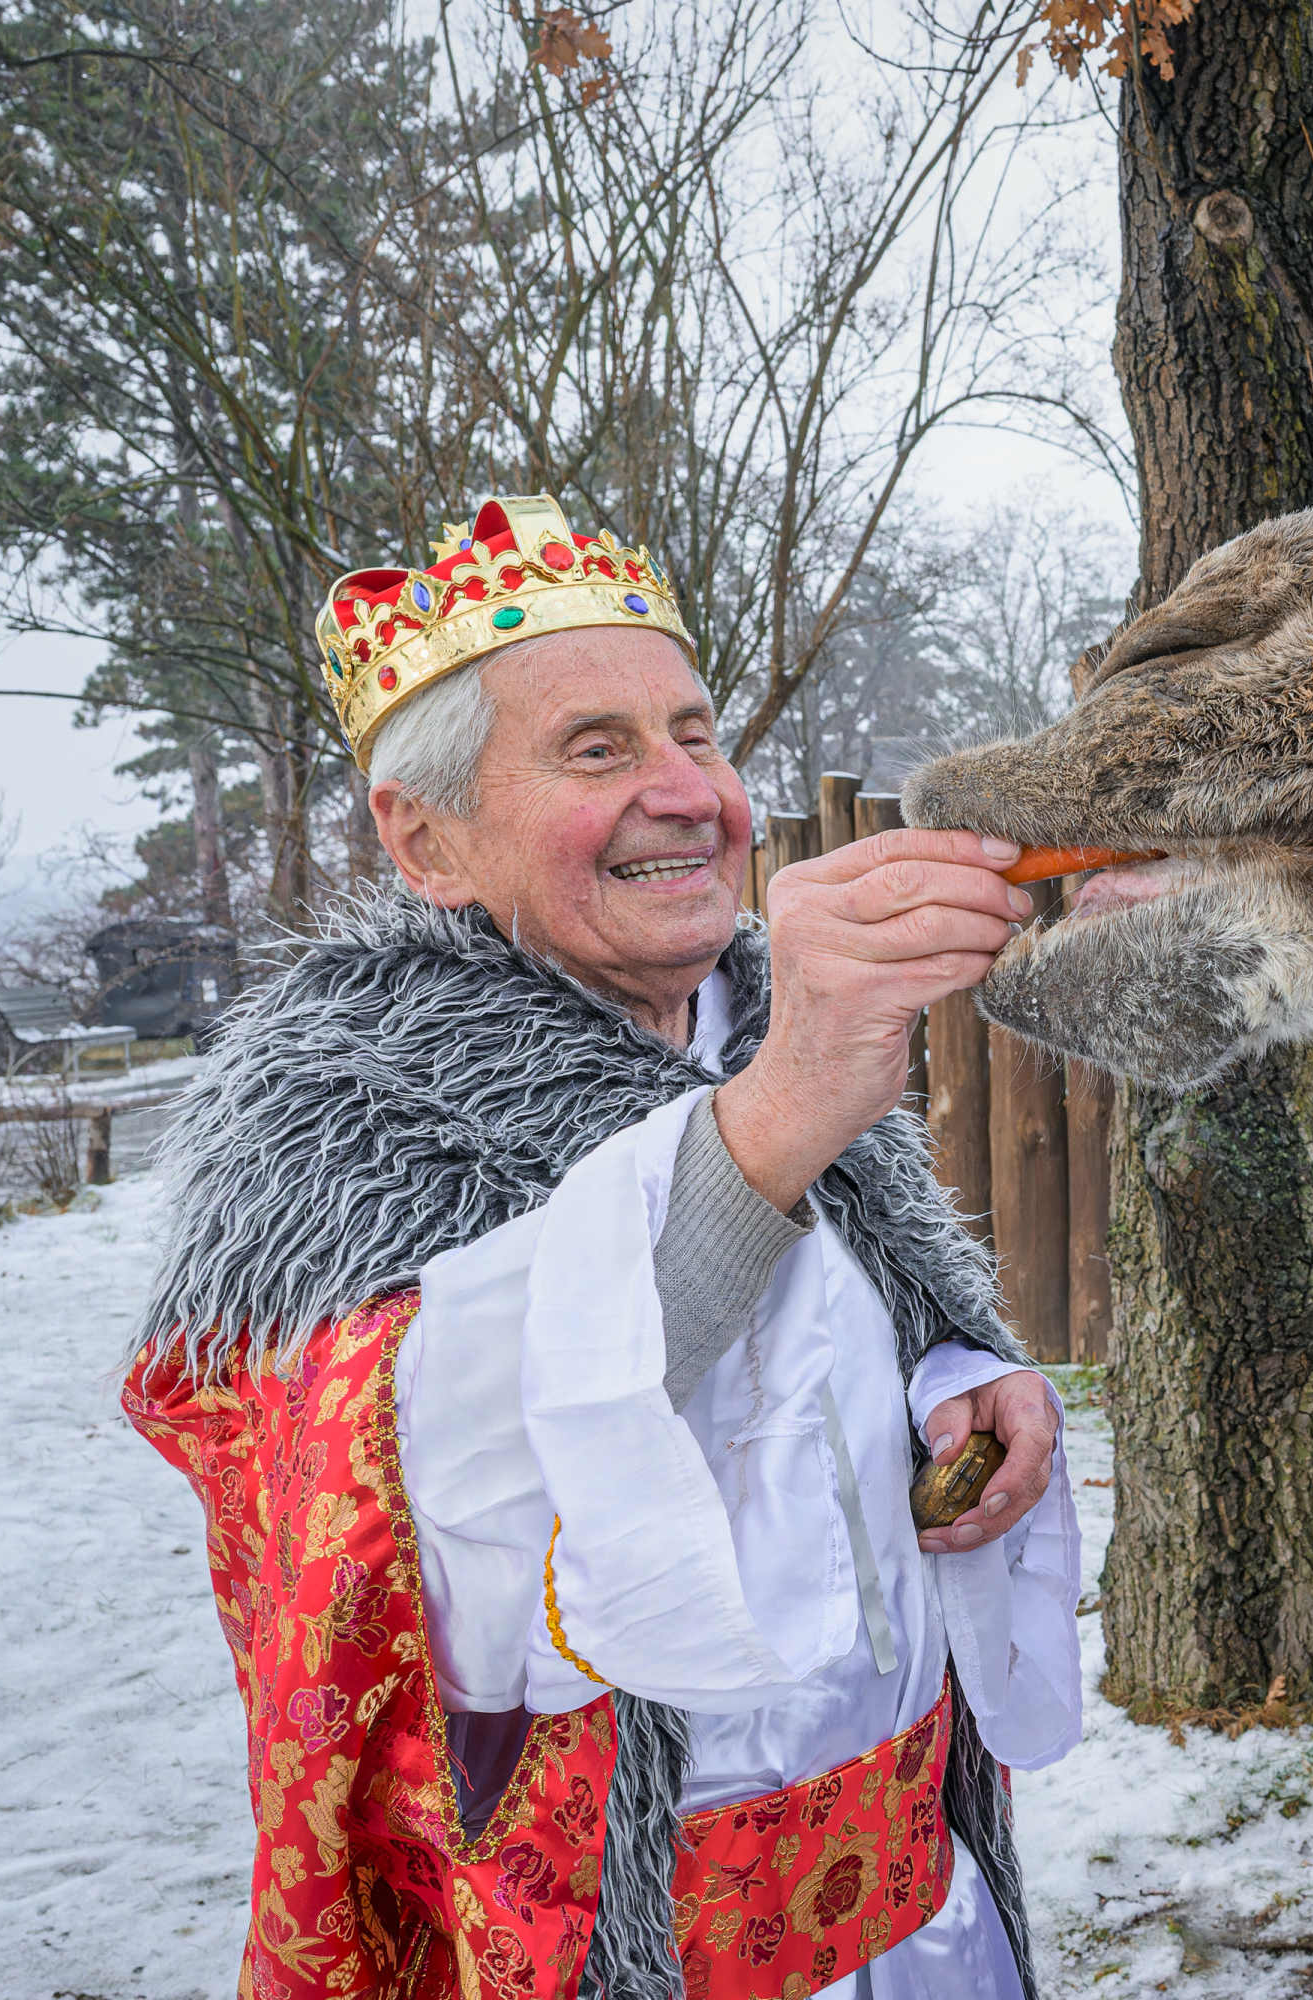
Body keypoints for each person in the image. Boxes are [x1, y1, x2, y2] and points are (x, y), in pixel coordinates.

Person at [122, 496, 1081, 2000]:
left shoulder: (761, 1024)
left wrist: (959, 1381)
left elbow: (838, 1331)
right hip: (624, 1945)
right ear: (426, 837)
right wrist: (779, 1116)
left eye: (697, 735)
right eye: (597, 749)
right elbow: (450, 1510)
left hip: (923, 1909)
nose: (687, 791)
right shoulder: (335, 1123)